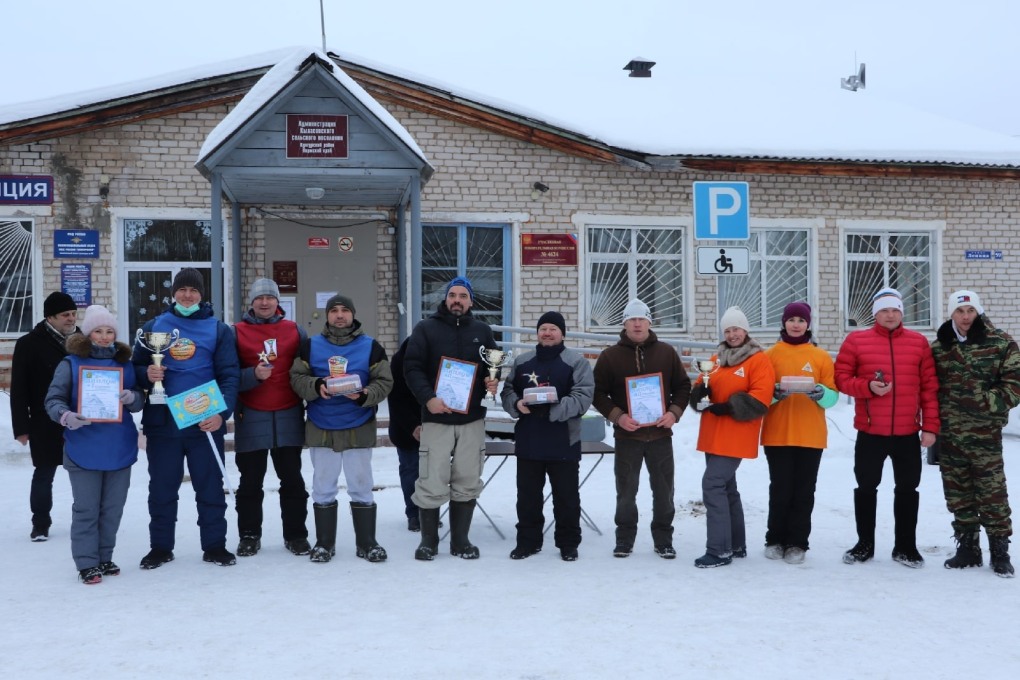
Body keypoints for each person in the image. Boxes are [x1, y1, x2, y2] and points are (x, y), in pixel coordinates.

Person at [131, 267, 240, 569]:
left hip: (204, 422)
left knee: (210, 487)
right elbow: (134, 368)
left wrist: (221, 413)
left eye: (193, 290)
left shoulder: (218, 329)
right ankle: (160, 547)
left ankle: (215, 545)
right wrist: (146, 373)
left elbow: (229, 375)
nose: (187, 295)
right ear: (173, 293)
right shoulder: (154, 326)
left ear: (201, 295)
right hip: (163, 423)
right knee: (162, 488)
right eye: (182, 289)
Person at [834, 287, 939, 568]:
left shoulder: (918, 343)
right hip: (870, 432)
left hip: (907, 432)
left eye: (895, 310)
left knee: (908, 488)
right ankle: (864, 544)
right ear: (875, 314)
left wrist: (930, 427)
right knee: (866, 487)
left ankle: (905, 547)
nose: (890, 315)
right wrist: (867, 386)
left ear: (901, 313)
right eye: (884, 310)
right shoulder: (856, 341)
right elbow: (841, 379)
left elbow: (929, 389)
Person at [43, 305, 144, 584]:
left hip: (119, 446)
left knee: (112, 509)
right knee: (86, 509)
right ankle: (87, 562)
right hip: (83, 446)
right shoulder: (71, 364)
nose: (104, 336)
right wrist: (65, 416)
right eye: (98, 331)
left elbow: (139, 399)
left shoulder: (125, 364)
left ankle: (104, 556)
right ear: (88, 334)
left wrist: (132, 398)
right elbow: (53, 400)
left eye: (109, 331)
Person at [289, 293, 392, 563]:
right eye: (333, 310)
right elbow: (296, 377)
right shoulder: (310, 346)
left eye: (345, 310)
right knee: (323, 486)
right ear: (327, 315)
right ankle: (324, 543)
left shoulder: (371, 347)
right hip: (322, 425)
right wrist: (315, 386)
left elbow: (384, 381)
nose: (339, 315)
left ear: (353, 314)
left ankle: (367, 543)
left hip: (358, 425)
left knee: (361, 485)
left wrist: (365, 394)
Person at [403, 276, 500, 561]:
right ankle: (428, 542)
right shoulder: (425, 329)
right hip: (437, 418)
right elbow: (411, 367)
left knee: (467, 478)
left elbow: (491, 367)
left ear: (471, 301)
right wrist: (428, 399)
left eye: (463, 296)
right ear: (445, 299)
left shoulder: (482, 331)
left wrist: (491, 382)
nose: (457, 300)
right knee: (431, 478)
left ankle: (460, 541)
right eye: (453, 295)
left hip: (471, 420)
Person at [592, 299, 691, 559]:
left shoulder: (666, 353)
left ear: (649, 322)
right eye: (632, 319)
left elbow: (683, 387)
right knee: (626, 491)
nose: (637, 324)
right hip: (628, 436)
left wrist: (673, 413)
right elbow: (597, 393)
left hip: (660, 435)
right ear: (624, 323)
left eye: (641, 319)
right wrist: (618, 416)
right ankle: (624, 539)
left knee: (664, 491)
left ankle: (663, 539)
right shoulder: (610, 356)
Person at [932, 290, 1020, 577]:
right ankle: (968, 549)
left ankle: (1000, 551)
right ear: (951, 314)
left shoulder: (1001, 343)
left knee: (992, 493)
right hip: (950, 434)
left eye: (971, 310)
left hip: (984, 434)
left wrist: (984, 402)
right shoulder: (940, 347)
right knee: (958, 493)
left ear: (978, 312)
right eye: (960, 311)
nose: (966, 316)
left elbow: (1014, 385)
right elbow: (929, 385)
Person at [500, 311, 595, 561]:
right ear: (537, 333)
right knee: (527, 498)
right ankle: (527, 542)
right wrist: (516, 403)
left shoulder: (577, 362)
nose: (547, 333)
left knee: (567, 498)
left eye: (553, 329)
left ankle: (568, 543)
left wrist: (553, 409)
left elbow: (583, 397)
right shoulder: (522, 362)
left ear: (562, 333)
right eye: (543, 329)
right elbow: (508, 391)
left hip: (563, 440)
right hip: (529, 440)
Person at [688, 306, 774, 568]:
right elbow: (700, 387)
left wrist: (728, 406)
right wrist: (700, 394)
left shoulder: (758, 360)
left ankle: (718, 550)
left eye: (736, 329)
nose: (732, 334)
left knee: (712, 484)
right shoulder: (717, 358)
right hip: (713, 434)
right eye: (727, 330)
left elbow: (761, 398)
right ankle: (736, 545)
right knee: (727, 488)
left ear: (745, 330)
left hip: (736, 435)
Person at [233, 278, 310, 557]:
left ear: (278, 301)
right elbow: (227, 374)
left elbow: (306, 370)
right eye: (259, 298)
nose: (264, 302)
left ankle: (296, 535)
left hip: (288, 414)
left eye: (269, 297)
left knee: (293, 481)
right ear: (251, 302)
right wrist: (251, 375)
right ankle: (249, 535)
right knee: (250, 483)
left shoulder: (295, 331)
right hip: (251, 415)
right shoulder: (236, 332)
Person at [760, 302, 838, 564]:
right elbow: (760, 394)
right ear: (783, 322)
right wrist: (774, 394)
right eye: (791, 319)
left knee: (804, 492)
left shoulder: (820, 356)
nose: (796, 324)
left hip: (810, 435)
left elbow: (833, 396)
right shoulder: (769, 355)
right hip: (777, 434)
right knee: (780, 489)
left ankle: (797, 543)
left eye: (801, 320)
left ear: (808, 324)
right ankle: (774, 539)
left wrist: (821, 394)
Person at [10, 291, 80, 541]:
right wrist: (21, 427)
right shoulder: (29, 343)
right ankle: (40, 523)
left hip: (79, 420)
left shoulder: (83, 340)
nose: (71, 318)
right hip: (44, 421)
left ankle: (85, 519)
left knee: (83, 474)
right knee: (44, 473)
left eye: (73, 313)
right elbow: (19, 389)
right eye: (65, 315)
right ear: (50, 317)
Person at [387, 337, 425, 532]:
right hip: (406, 428)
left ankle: (430, 512)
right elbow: (396, 399)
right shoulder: (401, 360)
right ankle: (414, 514)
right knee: (411, 470)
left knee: (434, 473)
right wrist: (413, 426)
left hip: (436, 425)